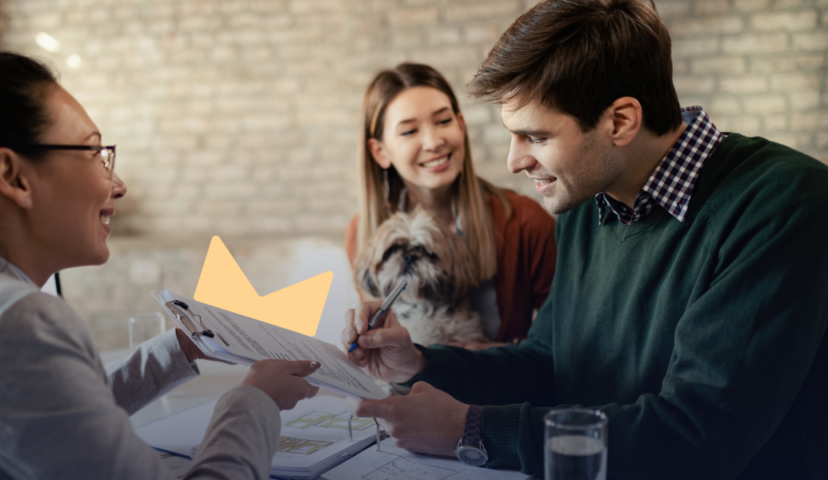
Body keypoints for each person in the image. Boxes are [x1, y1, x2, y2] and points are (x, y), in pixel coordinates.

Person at [341, 1, 828, 479]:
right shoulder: (588, 202)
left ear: (620, 121)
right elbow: (549, 363)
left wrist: (472, 429)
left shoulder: (782, 203)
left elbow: (699, 433)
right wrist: (421, 362)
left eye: (535, 137)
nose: (514, 162)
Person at [0, 52, 321, 480]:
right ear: (13, 176)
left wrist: (183, 344)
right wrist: (255, 401)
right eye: (94, 152)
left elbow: (47, 418)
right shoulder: (12, 320)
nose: (117, 184)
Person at [345, 63, 556, 349]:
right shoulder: (363, 231)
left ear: (461, 125)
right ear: (380, 152)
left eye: (443, 121)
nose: (433, 142)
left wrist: (490, 355)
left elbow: (565, 342)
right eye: (409, 131)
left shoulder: (525, 222)